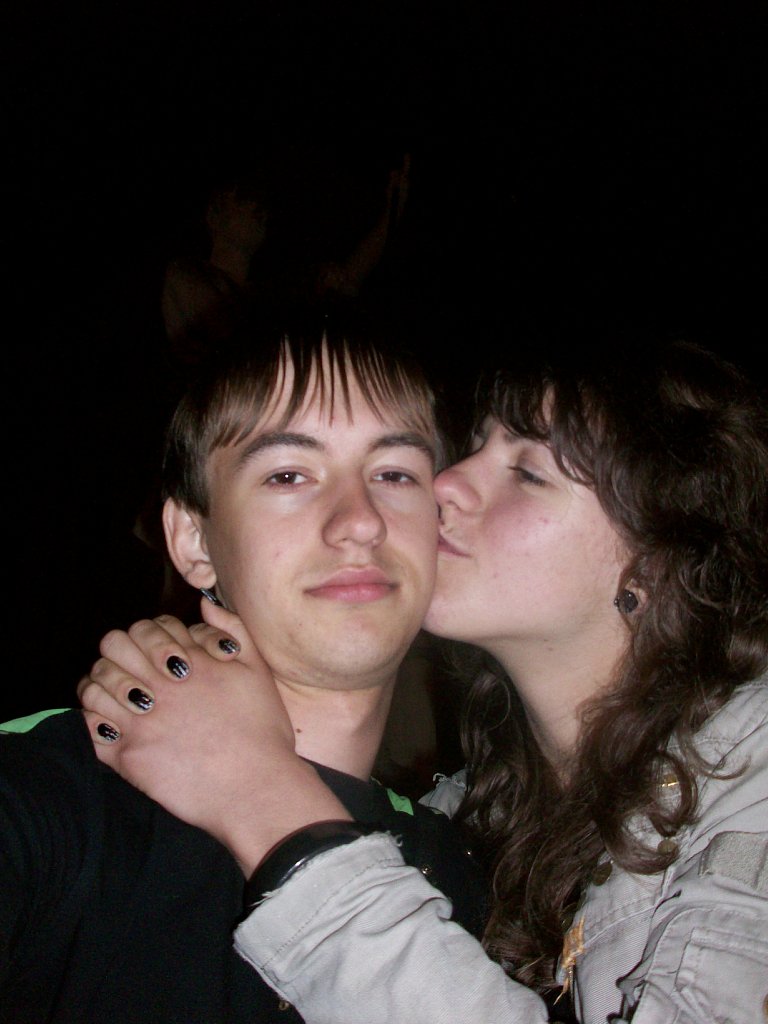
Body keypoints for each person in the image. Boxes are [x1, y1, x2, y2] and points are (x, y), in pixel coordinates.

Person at [81, 336, 768, 1023]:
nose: (446, 482)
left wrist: (263, 799)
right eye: (473, 447)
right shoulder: (460, 827)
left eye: (527, 472)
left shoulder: (753, 774)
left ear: (655, 562)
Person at [0, 323, 489, 1022]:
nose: (360, 522)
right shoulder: (57, 790)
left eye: (394, 474)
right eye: (288, 475)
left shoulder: (469, 877)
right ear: (194, 542)